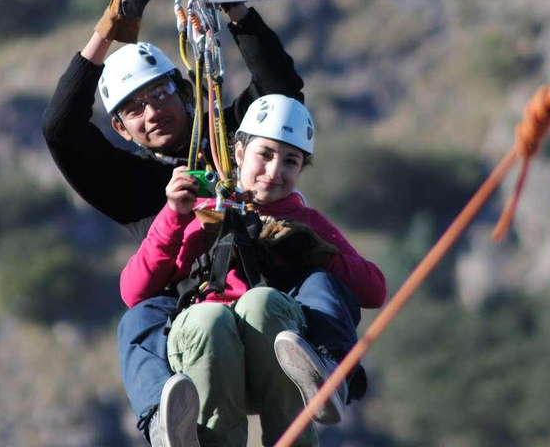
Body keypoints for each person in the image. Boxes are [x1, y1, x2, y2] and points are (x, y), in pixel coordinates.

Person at [41, 0, 307, 446]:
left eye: (159, 94)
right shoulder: (131, 184)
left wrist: (234, 7)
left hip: (268, 304)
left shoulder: (237, 141)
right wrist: (108, 33)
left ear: (186, 91)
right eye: (134, 109)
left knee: (321, 281)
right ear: (120, 129)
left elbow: (280, 92)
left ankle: (329, 365)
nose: (152, 111)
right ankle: (163, 420)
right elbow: (60, 127)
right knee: (138, 320)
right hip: (194, 323)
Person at [121, 95, 386, 446]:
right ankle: (165, 418)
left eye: (290, 161)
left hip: (276, 348)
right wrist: (173, 216)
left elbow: (373, 290)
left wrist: (317, 254)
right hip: (207, 342)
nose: (275, 171)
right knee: (204, 319)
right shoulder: (197, 211)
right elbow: (134, 293)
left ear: (301, 170)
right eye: (265, 154)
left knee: (264, 302)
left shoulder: (304, 221)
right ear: (240, 152)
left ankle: (329, 372)